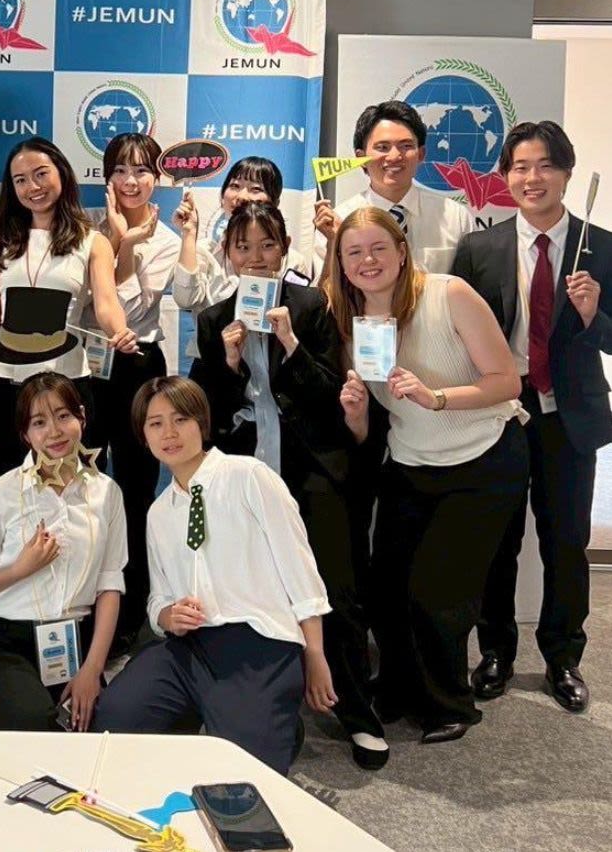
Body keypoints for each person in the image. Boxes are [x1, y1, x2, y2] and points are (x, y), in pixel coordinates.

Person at [189, 202, 386, 768]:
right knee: (244, 586)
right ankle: (248, 703)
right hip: (244, 474)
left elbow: (332, 398)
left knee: (335, 588)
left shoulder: (311, 305)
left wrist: (292, 344)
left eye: (267, 246)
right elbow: (206, 416)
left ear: (283, 251)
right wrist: (227, 362)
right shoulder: (213, 319)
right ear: (227, 254)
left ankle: (358, 713)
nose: (255, 259)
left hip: (311, 469)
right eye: (243, 248)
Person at [327, 207, 527, 743]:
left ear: (401, 250)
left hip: (483, 458)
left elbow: (506, 381)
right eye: (354, 252)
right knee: (386, 588)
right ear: (341, 263)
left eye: (378, 249)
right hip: (411, 463)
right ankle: (396, 689)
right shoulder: (350, 321)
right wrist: (356, 414)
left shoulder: (449, 294)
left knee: (436, 591)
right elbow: (376, 422)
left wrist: (436, 397)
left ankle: (448, 704)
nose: (368, 261)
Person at [94, 377, 335, 776]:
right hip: (192, 646)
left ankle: (278, 724)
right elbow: (159, 598)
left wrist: (314, 652)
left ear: (201, 423)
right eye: (155, 424)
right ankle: (218, 710)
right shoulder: (159, 512)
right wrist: (168, 615)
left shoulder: (249, 476)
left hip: (260, 643)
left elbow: (300, 569)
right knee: (116, 716)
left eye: (180, 419)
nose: (169, 433)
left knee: (245, 775)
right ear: (143, 434)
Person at [452, 122, 612, 714]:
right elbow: (459, 336)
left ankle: (563, 657)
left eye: (545, 165)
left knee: (566, 543)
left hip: (569, 421)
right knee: (498, 541)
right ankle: (495, 652)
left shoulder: (602, 246)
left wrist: (594, 314)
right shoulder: (480, 249)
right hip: (501, 416)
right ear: (505, 177)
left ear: (567, 172)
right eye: (519, 166)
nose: (531, 177)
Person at [0, 137, 138, 481]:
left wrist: (119, 331)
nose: (33, 187)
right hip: (4, 385)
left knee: (73, 487)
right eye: (21, 180)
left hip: (67, 382)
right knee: (5, 487)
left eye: (41, 174)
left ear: (62, 173)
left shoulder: (93, 241)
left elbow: (105, 303)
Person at [0, 373, 127, 731]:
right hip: (5, 641)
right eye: (39, 422)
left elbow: (109, 584)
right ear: (25, 434)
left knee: (103, 728)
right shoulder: (0, 492)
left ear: (81, 418)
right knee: (36, 724)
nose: (54, 431)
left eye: (64, 416)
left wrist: (92, 670)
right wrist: (21, 568)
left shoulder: (107, 492)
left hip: (74, 644)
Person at [84, 132, 179, 646]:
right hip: (92, 365)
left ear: (157, 178)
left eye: (142, 170)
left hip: (139, 361)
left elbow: (128, 309)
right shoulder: (86, 229)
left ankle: (135, 607)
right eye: (120, 170)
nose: (131, 181)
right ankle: (87, 601)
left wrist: (128, 243)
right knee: (86, 481)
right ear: (106, 178)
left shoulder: (164, 239)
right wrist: (116, 240)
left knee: (140, 488)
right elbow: (88, 307)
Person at [313, 101, 474, 277]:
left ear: (421, 154)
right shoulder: (340, 221)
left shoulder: (455, 217)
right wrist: (334, 243)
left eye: (406, 146)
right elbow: (327, 295)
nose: (395, 156)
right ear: (361, 157)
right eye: (382, 147)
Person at [173, 156, 311, 314]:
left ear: (275, 203)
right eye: (235, 186)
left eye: (256, 189)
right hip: (215, 339)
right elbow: (185, 301)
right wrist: (189, 234)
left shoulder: (293, 260)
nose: (242, 197)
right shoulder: (203, 251)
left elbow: (299, 316)